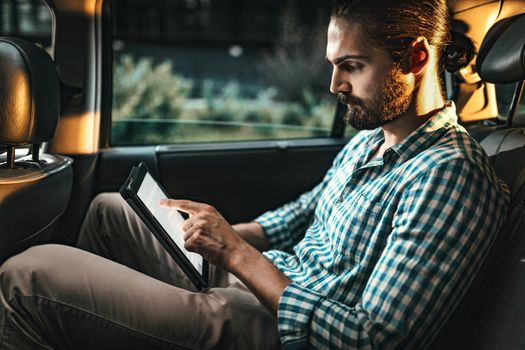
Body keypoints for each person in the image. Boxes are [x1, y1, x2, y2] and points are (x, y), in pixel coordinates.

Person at [0, 0, 510, 349]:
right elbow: (303, 212)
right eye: (334, 63)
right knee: (113, 208)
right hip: (264, 280)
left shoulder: (450, 176)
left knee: (26, 278)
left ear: (417, 57)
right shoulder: (370, 142)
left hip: (276, 329)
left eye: (351, 65)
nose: (333, 83)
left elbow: (371, 339)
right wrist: (215, 236)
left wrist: (238, 256)